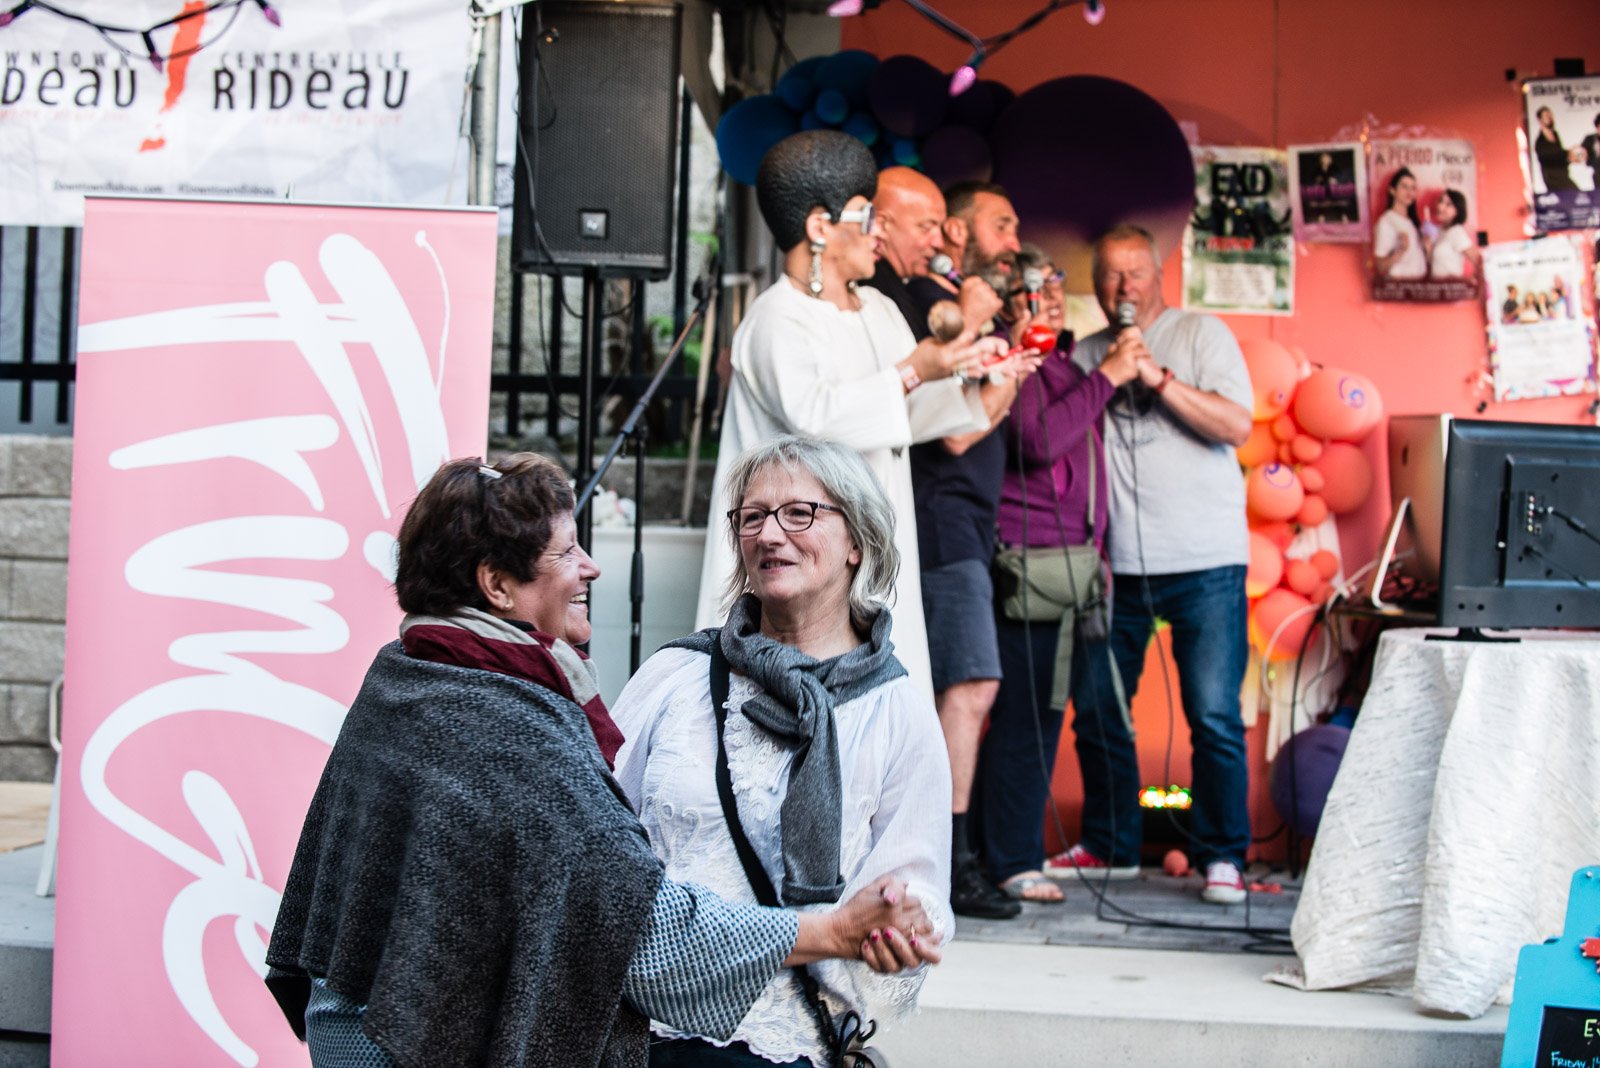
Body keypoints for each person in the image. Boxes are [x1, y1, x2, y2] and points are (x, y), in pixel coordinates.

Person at [265, 453, 937, 1068]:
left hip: (362, 1038)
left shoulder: (405, 680)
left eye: (799, 514)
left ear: (858, 545)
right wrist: (832, 931)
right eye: (568, 551)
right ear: (497, 585)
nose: (591, 567)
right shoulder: (516, 729)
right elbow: (637, 928)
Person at [615, 437, 954, 1067]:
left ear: (858, 542)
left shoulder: (895, 708)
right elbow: (598, 846)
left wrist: (902, 925)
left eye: (800, 513)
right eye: (752, 516)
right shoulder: (676, 677)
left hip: (785, 1040)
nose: (770, 533)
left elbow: (917, 884)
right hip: (643, 1036)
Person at [693, 130, 1010, 704]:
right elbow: (817, 424)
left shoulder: (880, 309)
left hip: (871, 546)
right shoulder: (775, 318)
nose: (879, 230)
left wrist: (976, 373)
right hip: (795, 558)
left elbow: (901, 416)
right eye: (867, 216)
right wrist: (916, 368)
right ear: (819, 227)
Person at [1058, 225, 1256, 905]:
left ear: (1159, 274)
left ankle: (1222, 855)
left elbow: (1236, 425)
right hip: (1116, 566)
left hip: (1206, 560)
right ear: (1096, 285)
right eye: (1109, 276)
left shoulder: (1203, 336)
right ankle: (1109, 844)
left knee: (1214, 716)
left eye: (1135, 273)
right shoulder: (1085, 354)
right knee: (1099, 711)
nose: (1123, 288)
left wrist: (1156, 377)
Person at [892, 180, 1043, 920]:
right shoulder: (926, 302)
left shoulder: (958, 302)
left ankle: (948, 857)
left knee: (962, 689)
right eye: (1001, 224)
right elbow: (955, 429)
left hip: (967, 523)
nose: (1015, 240)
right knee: (969, 686)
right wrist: (1009, 370)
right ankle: (949, 865)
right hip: (941, 518)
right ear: (956, 230)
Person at [974, 245, 1139, 906]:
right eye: (1032, 290)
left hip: (1074, 566)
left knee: (1041, 713)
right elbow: (1036, 440)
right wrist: (1108, 378)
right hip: (1030, 564)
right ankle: (1010, 858)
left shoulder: (1062, 360)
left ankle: (1002, 850)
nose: (1046, 299)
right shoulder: (1005, 360)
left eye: (1052, 288)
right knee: (1028, 717)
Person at [1373, 168, 1427, 279]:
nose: (1409, 192)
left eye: (1413, 188)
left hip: (1417, 286)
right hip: (1399, 286)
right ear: (1392, 190)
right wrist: (1401, 250)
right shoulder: (1386, 221)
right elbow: (1380, 266)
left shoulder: (1410, 221)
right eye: (1404, 186)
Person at [1427, 189, 1479, 279]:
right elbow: (1436, 264)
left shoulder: (1457, 232)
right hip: (1437, 289)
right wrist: (1428, 248)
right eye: (1441, 201)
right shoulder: (1439, 230)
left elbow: (1478, 261)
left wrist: (1469, 281)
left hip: (1451, 290)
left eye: (1448, 204)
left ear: (1457, 211)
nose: (1440, 206)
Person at [1533, 106, 1577, 193]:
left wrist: (1570, 158)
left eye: (1550, 115)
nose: (1549, 118)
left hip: (1563, 175)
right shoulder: (1540, 142)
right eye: (1546, 116)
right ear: (1540, 120)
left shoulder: (1555, 134)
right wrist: (1567, 153)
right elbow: (1550, 158)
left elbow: (1560, 156)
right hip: (1553, 179)